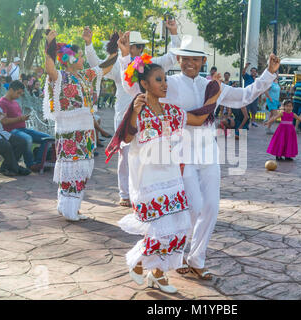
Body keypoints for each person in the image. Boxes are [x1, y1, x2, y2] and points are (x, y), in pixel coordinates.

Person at [117, 33, 280, 280]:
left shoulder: (212, 87)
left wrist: (269, 73)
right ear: (179, 58)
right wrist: (125, 57)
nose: (189, 63)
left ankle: (197, 259)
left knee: (212, 208)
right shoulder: (168, 83)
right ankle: (176, 256)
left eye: (195, 59)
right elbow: (134, 86)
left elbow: (245, 96)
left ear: (203, 61)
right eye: (185, 58)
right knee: (192, 208)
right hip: (181, 156)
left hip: (208, 155)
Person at [106, 61, 221, 294]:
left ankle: (158, 274)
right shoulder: (139, 110)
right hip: (148, 182)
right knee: (160, 229)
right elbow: (126, 138)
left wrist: (214, 93)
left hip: (172, 177)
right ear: (144, 84)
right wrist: (135, 112)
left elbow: (198, 119)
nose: (165, 84)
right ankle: (139, 263)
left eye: (165, 79)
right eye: (159, 80)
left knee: (180, 227)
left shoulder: (171, 111)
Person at [84, 22, 180, 207]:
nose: (140, 48)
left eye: (141, 46)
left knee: (149, 156)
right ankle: (125, 194)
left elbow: (172, 57)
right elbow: (96, 66)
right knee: (125, 157)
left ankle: (146, 191)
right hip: (125, 117)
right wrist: (89, 45)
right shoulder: (118, 64)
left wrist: (174, 32)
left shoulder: (151, 65)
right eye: (136, 45)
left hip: (149, 118)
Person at [44, 30, 115, 221]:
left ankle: (69, 206)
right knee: (70, 169)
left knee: (81, 169)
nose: (83, 58)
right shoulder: (58, 77)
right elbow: (49, 67)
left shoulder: (86, 75)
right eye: (81, 56)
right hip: (68, 133)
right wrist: (50, 45)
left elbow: (106, 67)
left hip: (85, 131)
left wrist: (116, 46)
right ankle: (69, 208)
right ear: (70, 59)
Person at [0, 80, 51, 171]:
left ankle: (39, 163)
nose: (18, 96)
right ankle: (30, 164)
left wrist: (23, 118)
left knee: (47, 139)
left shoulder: (14, 102)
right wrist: (20, 119)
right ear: (10, 89)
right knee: (27, 139)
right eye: (18, 93)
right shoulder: (2, 102)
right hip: (10, 131)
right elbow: (3, 121)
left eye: (20, 94)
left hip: (22, 129)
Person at [242, 62, 260, 127]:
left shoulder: (258, 79)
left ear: (256, 72)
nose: (253, 72)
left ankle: (253, 122)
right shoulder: (247, 77)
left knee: (254, 110)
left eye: (254, 71)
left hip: (254, 97)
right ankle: (246, 121)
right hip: (247, 96)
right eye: (252, 71)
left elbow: (259, 88)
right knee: (246, 110)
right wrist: (246, 66)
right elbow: (243, 72)